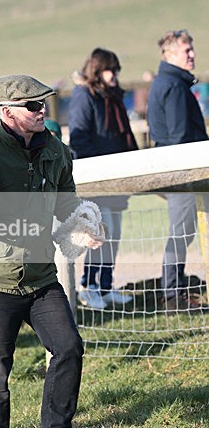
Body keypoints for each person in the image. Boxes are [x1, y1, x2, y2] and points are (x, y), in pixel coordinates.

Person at [0, 74, 105, 428]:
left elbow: (67, 204)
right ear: (6, 111)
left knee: (69, 348)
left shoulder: (57, 152)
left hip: (42, 277)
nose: (41, 110)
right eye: (32, 106)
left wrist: (84, 226)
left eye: (43, 104)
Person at [68, 48, 138, 310]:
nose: (115, 75)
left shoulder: (111, 97)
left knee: (115, 233)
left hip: (117, 179)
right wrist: (100, 167)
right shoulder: (84, 96)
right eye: (111, 69)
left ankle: (106, 285)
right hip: (97, 178)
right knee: (100, 233)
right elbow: (79, 137)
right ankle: (90, 286)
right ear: (98, 70)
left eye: (117, 70)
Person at [147, 29, 208, 311]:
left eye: (192, 49)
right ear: (170, 55)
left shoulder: (170, 82)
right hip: (182, 172)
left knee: (184, 231)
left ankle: (176, 291)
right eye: (187, 51)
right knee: (181, 232)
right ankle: (172, 296)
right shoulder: (172, 85)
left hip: (182, 171)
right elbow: (180, 136)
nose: (193, 55)